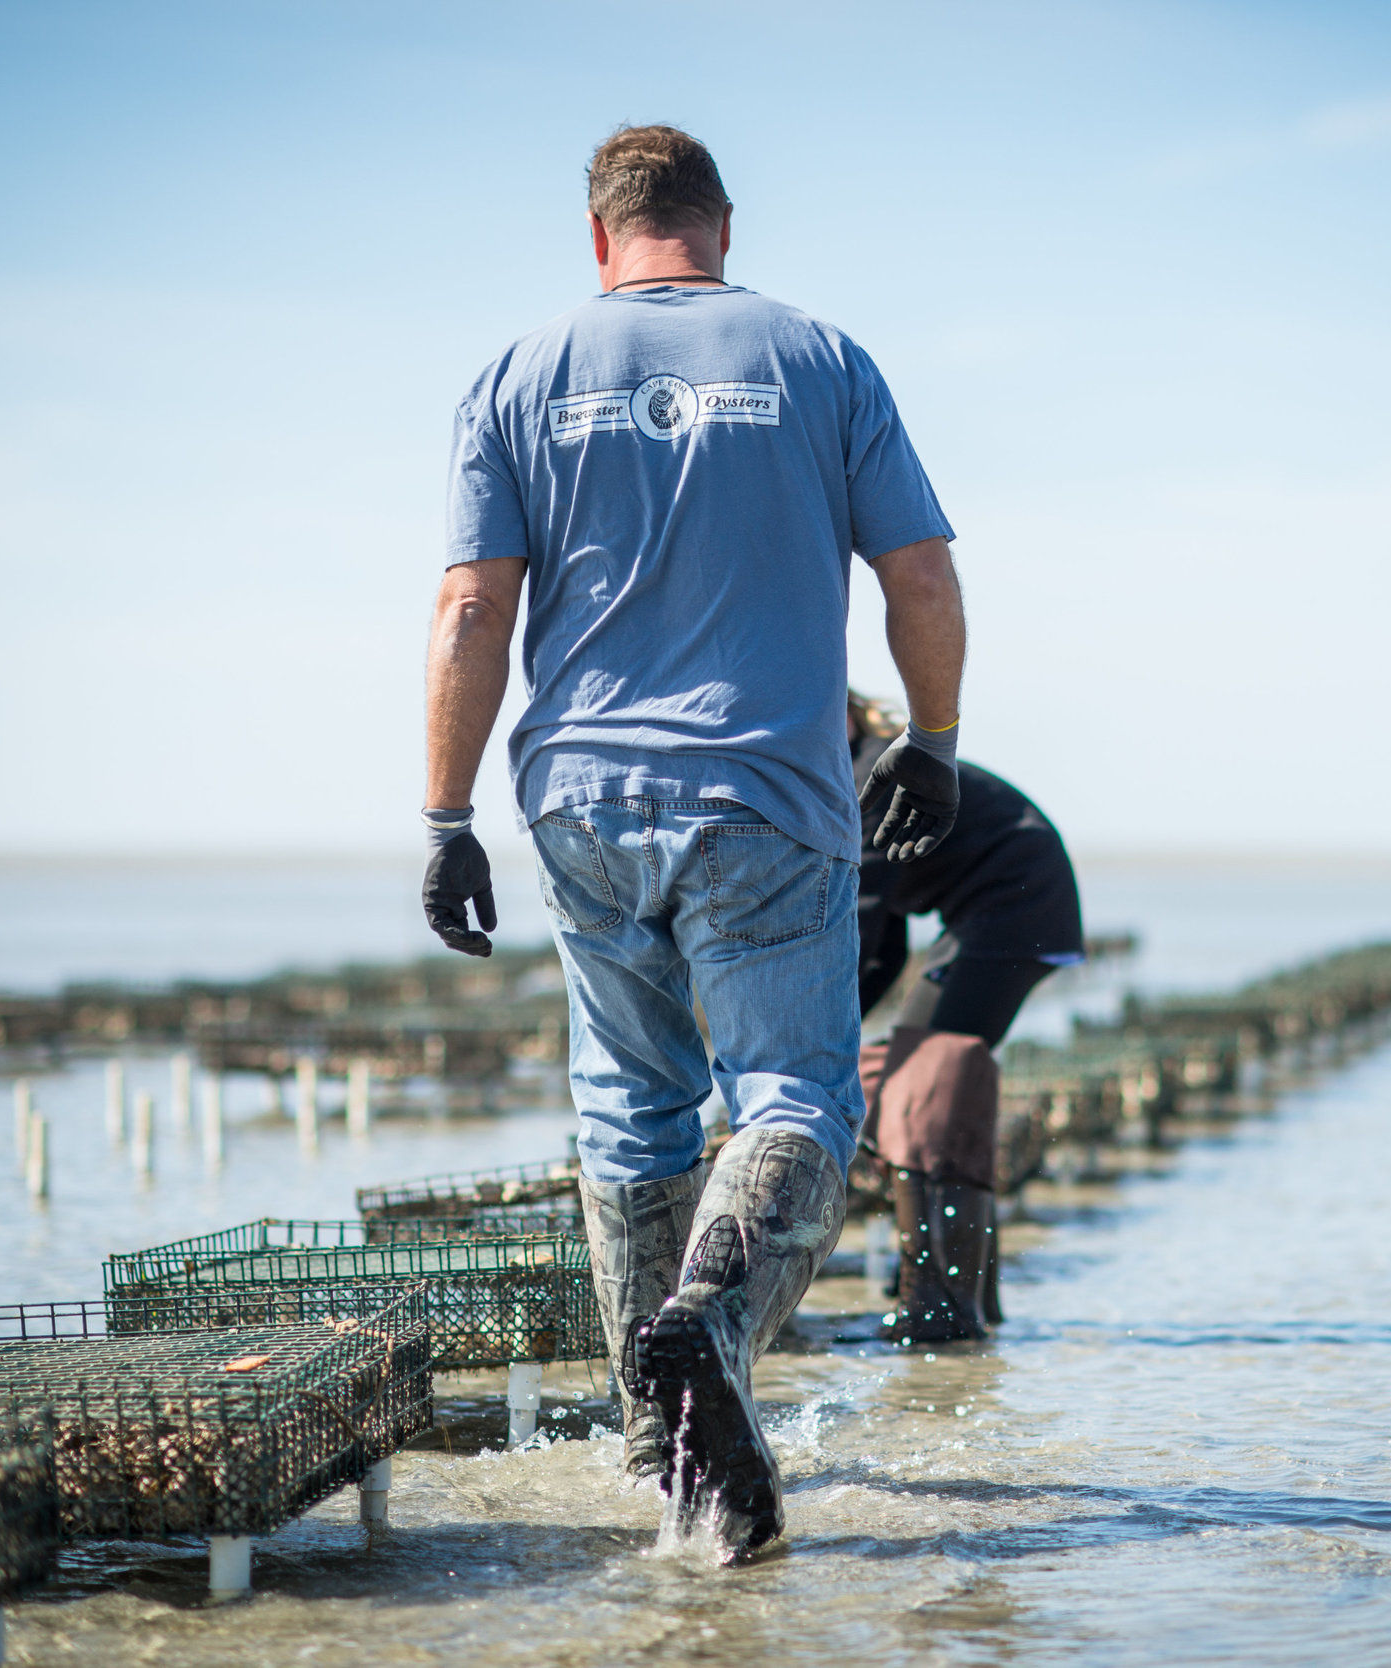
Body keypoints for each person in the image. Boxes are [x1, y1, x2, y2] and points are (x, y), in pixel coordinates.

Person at [416, 125, 967, 1559]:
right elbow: (921, 574)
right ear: (721, 227)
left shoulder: (517, 374)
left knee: (630, 1120)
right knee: (794, 1101)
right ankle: (706, 1338)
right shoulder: (820, 358)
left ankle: (664, 1483)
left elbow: (472, 612)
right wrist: (937, 744)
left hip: (580, 805)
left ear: (600, 238)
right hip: (765, 795)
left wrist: (444, 817)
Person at [849, 691, 1084, 1343]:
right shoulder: (872, 766)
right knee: (919, 1086)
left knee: (919, 1091)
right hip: (999, 914)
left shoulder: (868, 775)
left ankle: (938, 1301)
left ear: (837, 714)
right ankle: (970, 1299)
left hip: (1015, 912)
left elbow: (861, 923)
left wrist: (814, 1035)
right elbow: (887, 947)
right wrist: (838, 1030)